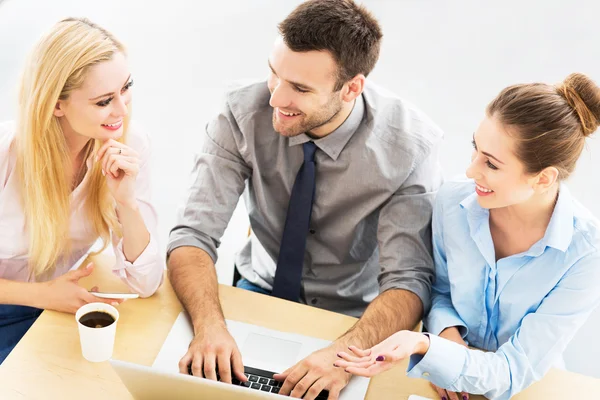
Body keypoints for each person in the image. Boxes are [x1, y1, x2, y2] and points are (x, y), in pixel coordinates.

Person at [167, 0, 443, 398]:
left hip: (354, 318)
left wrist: (342, 354)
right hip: (255, 291)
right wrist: (210, 327)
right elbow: (193, 234)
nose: (276, 99)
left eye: (299, 88)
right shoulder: (240, 114)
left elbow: (409, 280)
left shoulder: (410, 148)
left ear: (351, 88)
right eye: (274, 74)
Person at [335, 73, 600, 400]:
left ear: (544, 179)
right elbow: (442, 290)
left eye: (491, 163)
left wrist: (427, 346)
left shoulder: (585, 254)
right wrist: (446, 341)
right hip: (441, 382)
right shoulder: (453, 202)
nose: (472, 170)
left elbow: (513, 369)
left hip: (527, 390)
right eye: (476, 149)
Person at [0, 18, 164, 364]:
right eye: (104, 100)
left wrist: (126, 202)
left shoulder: (130, 145)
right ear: (56, 104)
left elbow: (145, 284)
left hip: (56, 311)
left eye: (126, 87)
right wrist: (41, 294)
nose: (123, 109)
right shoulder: (5, 155)